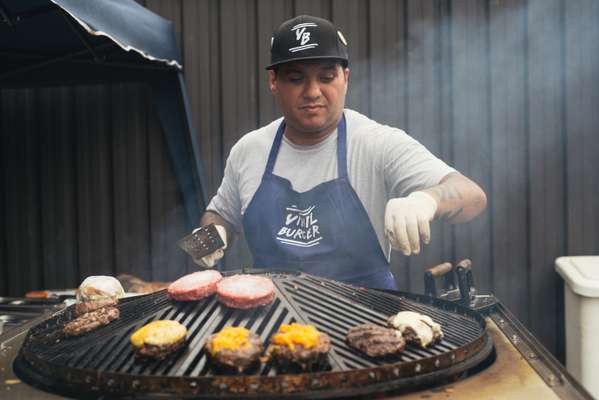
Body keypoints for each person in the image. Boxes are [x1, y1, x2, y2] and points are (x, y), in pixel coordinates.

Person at [192, 15, 487, 290]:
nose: (312, 91)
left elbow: (472, 196)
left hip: (367, 323)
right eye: (296, 78)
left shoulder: (377, 143)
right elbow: (222, 214)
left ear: (345, 77)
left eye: (326, 76)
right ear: (273, 82)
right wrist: (211, 236)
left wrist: (427, 200)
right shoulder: (249, 150)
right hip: (269, 323)